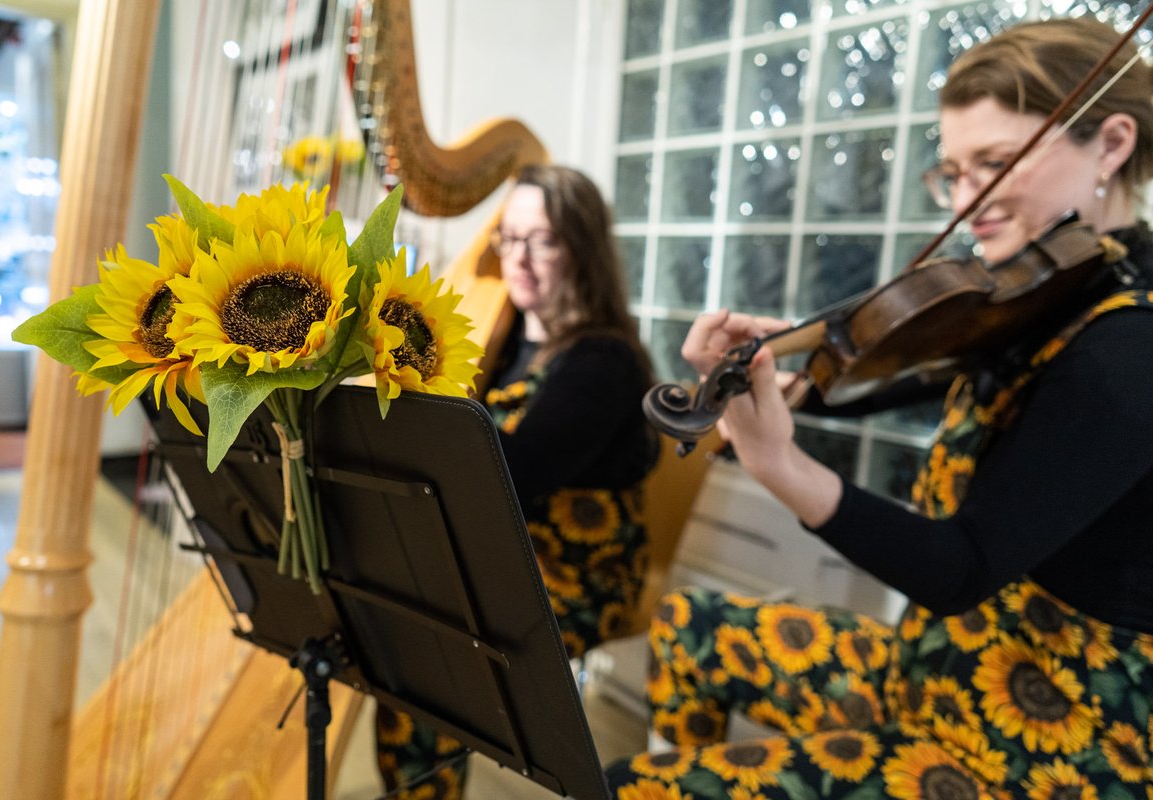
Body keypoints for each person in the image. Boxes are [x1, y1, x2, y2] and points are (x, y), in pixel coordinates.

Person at [606, 17, 1153, 800]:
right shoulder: (1053, 293)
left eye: (996, 166)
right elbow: (901, 369)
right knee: (689, 629)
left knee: (634, 786)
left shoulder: (1128, 350)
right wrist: (783, 371)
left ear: (1111, 144)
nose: (969, 202)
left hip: (1035, 751)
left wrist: (779, 464)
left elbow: (958, 568)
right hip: (944, 672)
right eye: (954, 173)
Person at [375, 163, 661, 798]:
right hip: (500, 553)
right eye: (510, 236)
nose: (519, 258)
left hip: (576, 575)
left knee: (430, 652)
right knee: (395, 622)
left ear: (582, 248)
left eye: (544, 240)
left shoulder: (603, 363)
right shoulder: (502, 341)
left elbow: (507, 477)